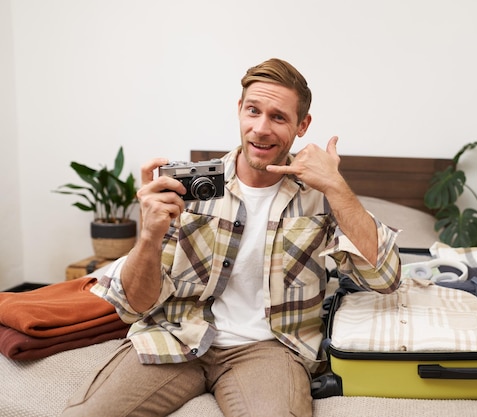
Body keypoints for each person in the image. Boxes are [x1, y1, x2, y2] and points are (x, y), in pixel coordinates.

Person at [61, 58, 401, 417]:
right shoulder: (190, 187)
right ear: (239, 110)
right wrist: (148, 236)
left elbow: (386, 278)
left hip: (270, 348)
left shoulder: (321, 195)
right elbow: (135, 307)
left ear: (303, 125)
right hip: (178, 332)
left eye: (279, 117)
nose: (261, 128)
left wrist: (335, 185)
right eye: (253, 111)